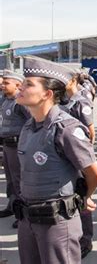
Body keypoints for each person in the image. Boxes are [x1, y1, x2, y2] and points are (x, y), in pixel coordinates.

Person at [15, 56, 97, 264]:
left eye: (28, 84)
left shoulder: (66, 128)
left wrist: (82, 198)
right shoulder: (28, 127)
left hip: (56, 223)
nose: (21, 86)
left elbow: (94, 173)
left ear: (47, 93)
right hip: (27, 220)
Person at [61, 71, 97, 258]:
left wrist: (84, 159)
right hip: (66, 158)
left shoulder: (81, 101)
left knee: (82, 197)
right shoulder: (63, 101)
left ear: (73, 81)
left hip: (79, 157)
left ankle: (86, 240)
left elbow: (90, 132)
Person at [0, 70, 30, 230]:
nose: (3, 85)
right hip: (7, 145)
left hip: (18, 146)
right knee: (10, 180)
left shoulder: (21, 103)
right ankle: (12, 205)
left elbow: (32, 123)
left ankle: (23, 212)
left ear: (18, 85)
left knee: (19, 180)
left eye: (6, 83)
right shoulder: (6, 101)